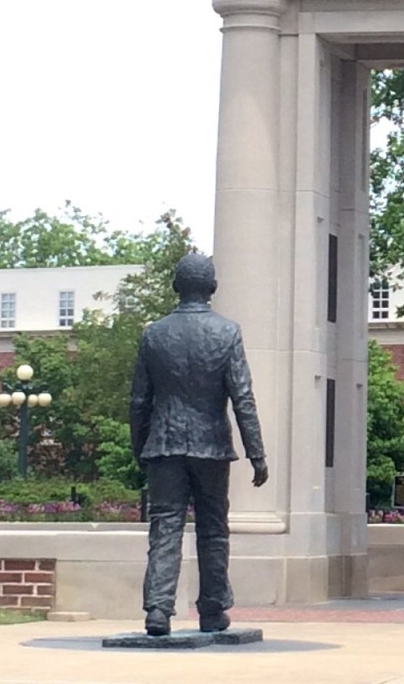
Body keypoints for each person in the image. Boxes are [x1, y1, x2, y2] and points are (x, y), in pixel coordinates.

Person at [130, 253, 267, 636]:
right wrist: (256, 452)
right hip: (211, 447)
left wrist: (139, 445)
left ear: (176, 286)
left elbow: (139, 400)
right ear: (213, 287)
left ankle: (158, 609)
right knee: (213, 528)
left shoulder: (153, 333)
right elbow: (243, 396)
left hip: (164, 445)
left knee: (165, 527)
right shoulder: (227, 332)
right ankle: (211, 609)